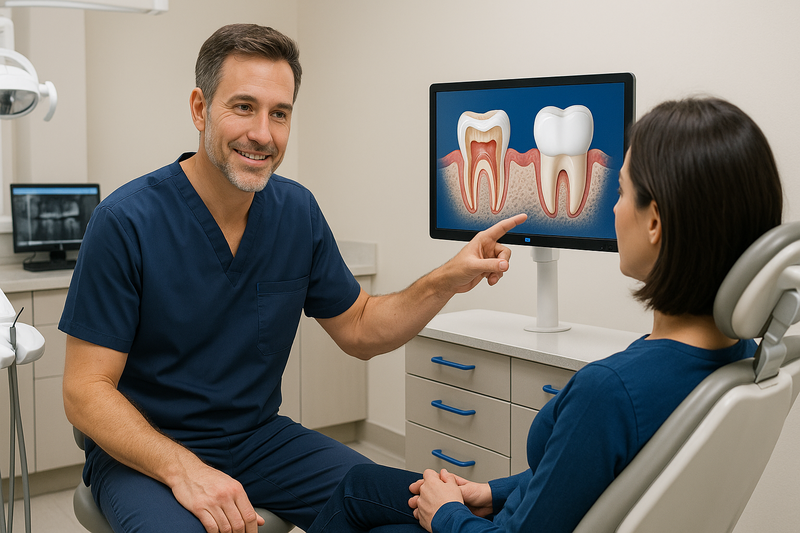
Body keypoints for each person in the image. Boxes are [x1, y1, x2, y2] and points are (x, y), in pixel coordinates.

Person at [59, 24, 527, 533]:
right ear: (199, 108)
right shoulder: (126, 221)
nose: (263, 133)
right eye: (243, 107)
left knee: (414, 510)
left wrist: (446, 280)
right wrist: (185, 470)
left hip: (259, 440)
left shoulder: (295, 211)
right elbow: (85, 390)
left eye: (279, 114)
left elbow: (361, 329)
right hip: (144, 454)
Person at [305, 96, 785, 533]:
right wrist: (490, 493)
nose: (614, 208)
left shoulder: (609, 391)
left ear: (654, 221)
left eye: (618, 191)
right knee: (362, 481)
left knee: (356, 496)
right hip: (516, 513)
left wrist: (447, 514)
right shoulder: (741, 359)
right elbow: (572, 480)